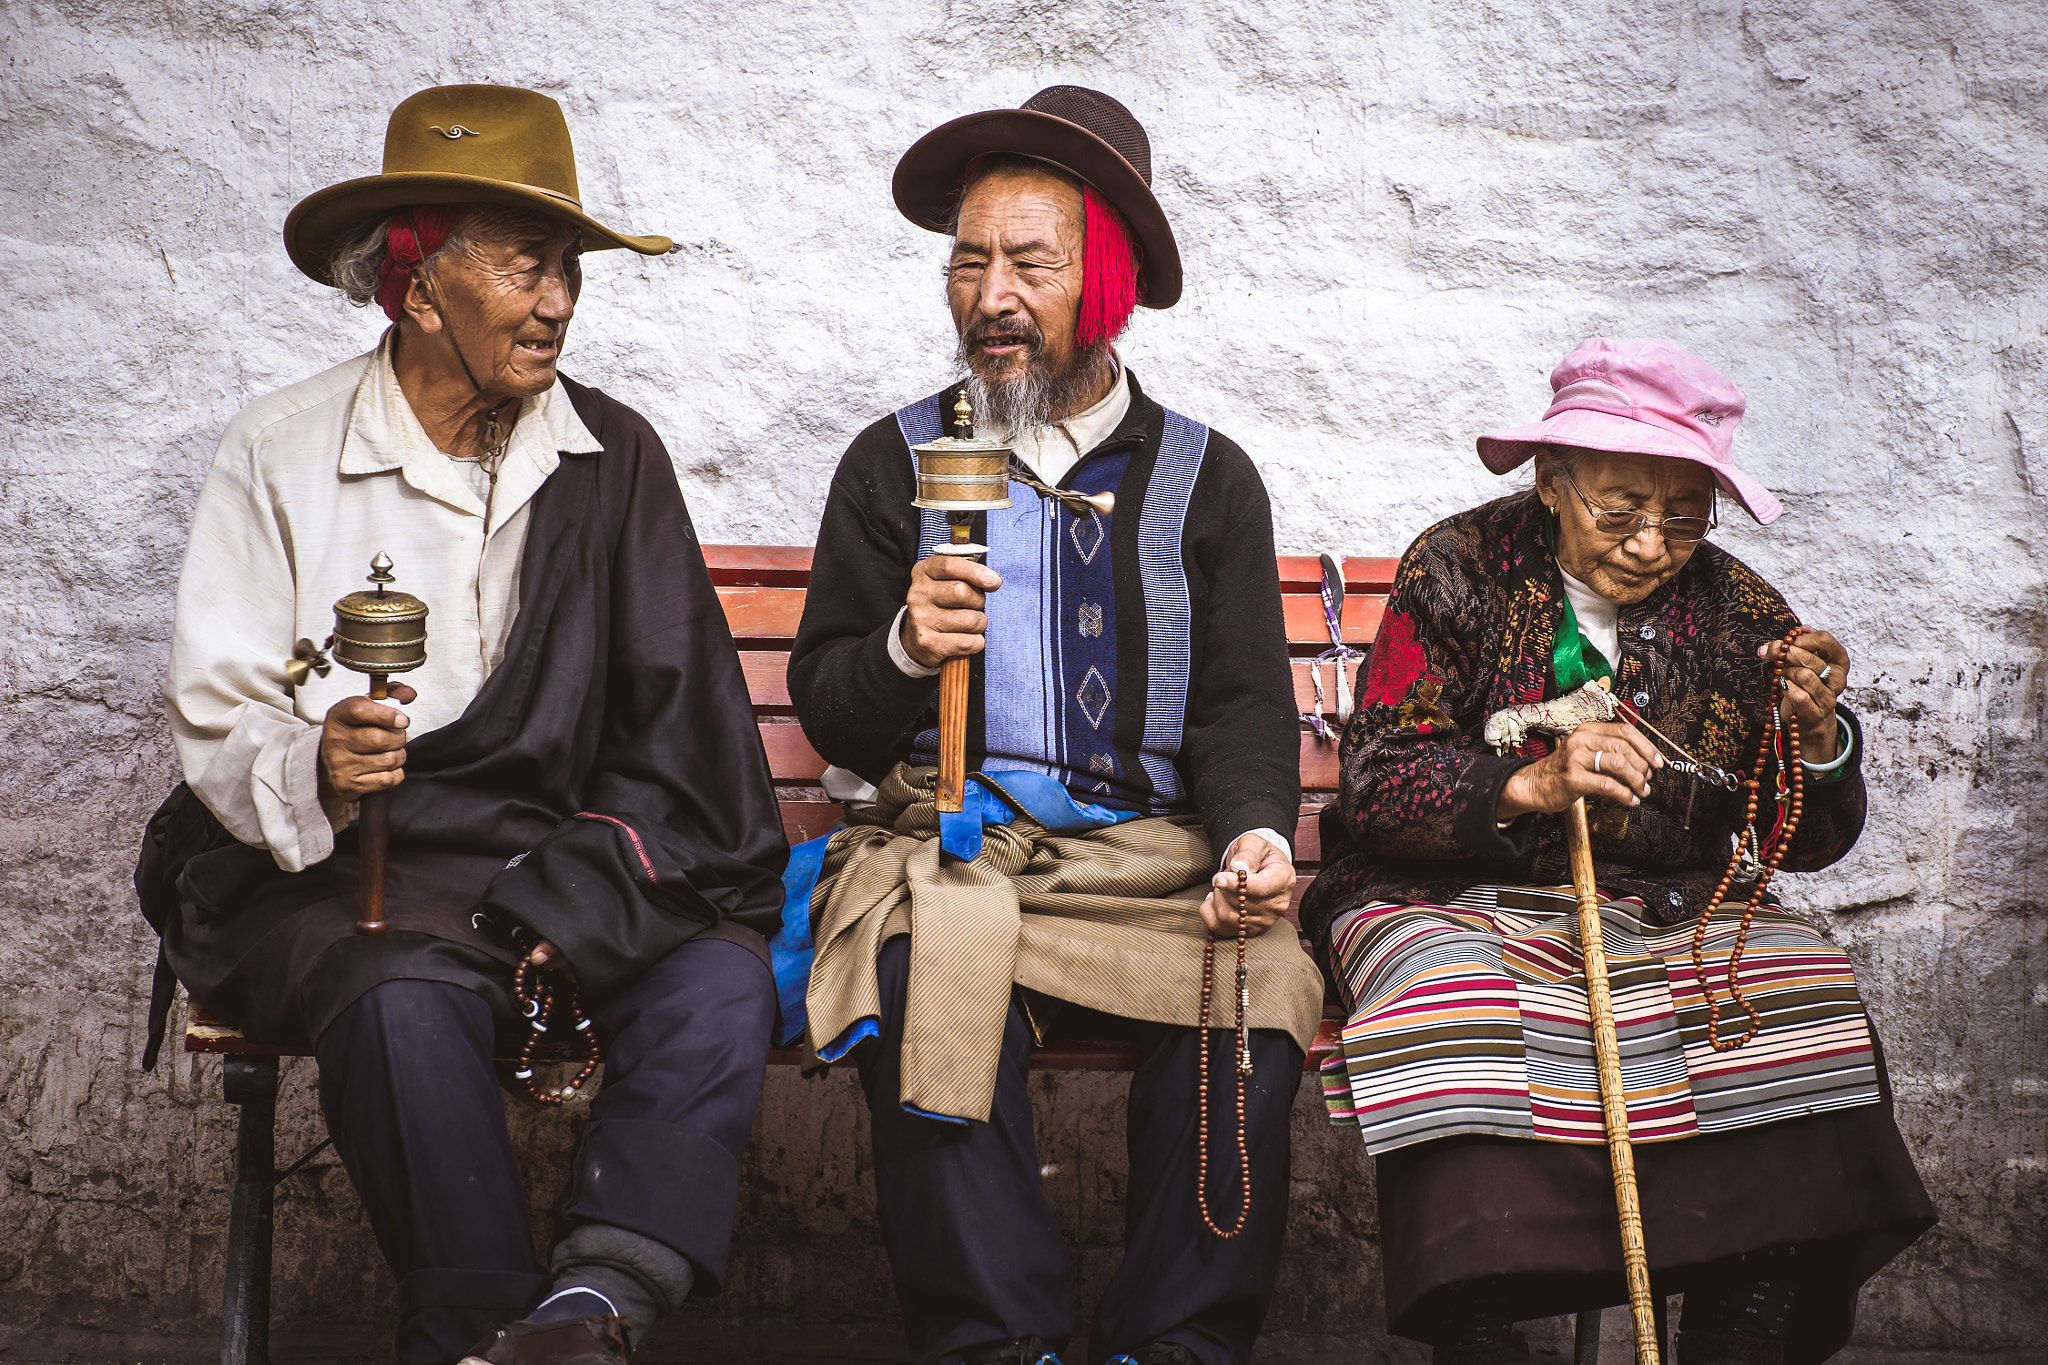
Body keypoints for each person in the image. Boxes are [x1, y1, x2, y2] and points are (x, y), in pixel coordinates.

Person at [139, 85, 788, 1365]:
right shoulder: (280, 452)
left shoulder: (612, 457)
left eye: (567, 270)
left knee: (717, 980)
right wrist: (312, 760)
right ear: (419, 286)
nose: (555, 300)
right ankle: (484, 1331)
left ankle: (591, 1303)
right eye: (522, 265)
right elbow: (218, 707)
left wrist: (572, 900)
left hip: (557, 868)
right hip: (347, 872)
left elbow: (680, 737)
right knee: (395, 993)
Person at [787, 87, 1325, 1365]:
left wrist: (1255, 832)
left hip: (1148, 862)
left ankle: (1176, 1343)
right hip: (955, 849)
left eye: (1030, 263)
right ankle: (997, 1344)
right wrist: (907, 646)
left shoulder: (1205, 476)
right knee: (926, 971)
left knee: (1254, 999)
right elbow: (831, 712)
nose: (991, 297)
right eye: (967, 262)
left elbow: (1245, 700)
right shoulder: (892, 462)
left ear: (1106, 286)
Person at [1300, 337, 1935, 1364]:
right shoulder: (1453, 569)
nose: (1649, 543)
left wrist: (1814, 740)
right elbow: (1373, 784)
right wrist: (1528, 783)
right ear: (1551, 483)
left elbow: (1806, 842)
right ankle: (1481, 1328)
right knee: (1449, 1004)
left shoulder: (1740, 615)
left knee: (1803, 997)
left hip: (1664, 904)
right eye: (1617, 509)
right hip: (1437, 892)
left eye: (1681, 514)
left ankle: (1749, 1319)